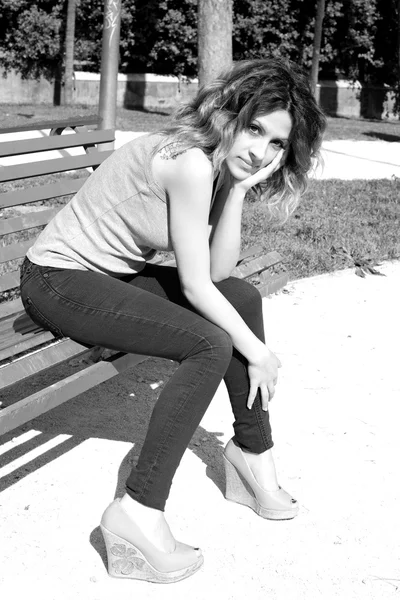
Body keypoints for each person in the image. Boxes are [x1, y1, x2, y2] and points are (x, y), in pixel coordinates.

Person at [20, 57, 326, 583]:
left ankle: (253, 454)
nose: (261, 151)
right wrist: (256, 350)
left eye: (277, 143)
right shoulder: (189, 162)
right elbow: (194, 286)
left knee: (243, 299)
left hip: (111, 276)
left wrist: (241, 189)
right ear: (229, 113)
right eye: (255, 129)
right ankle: (138, 511)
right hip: (56, 279)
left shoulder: (220, 165)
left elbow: (219, 271)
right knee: (210, 343)